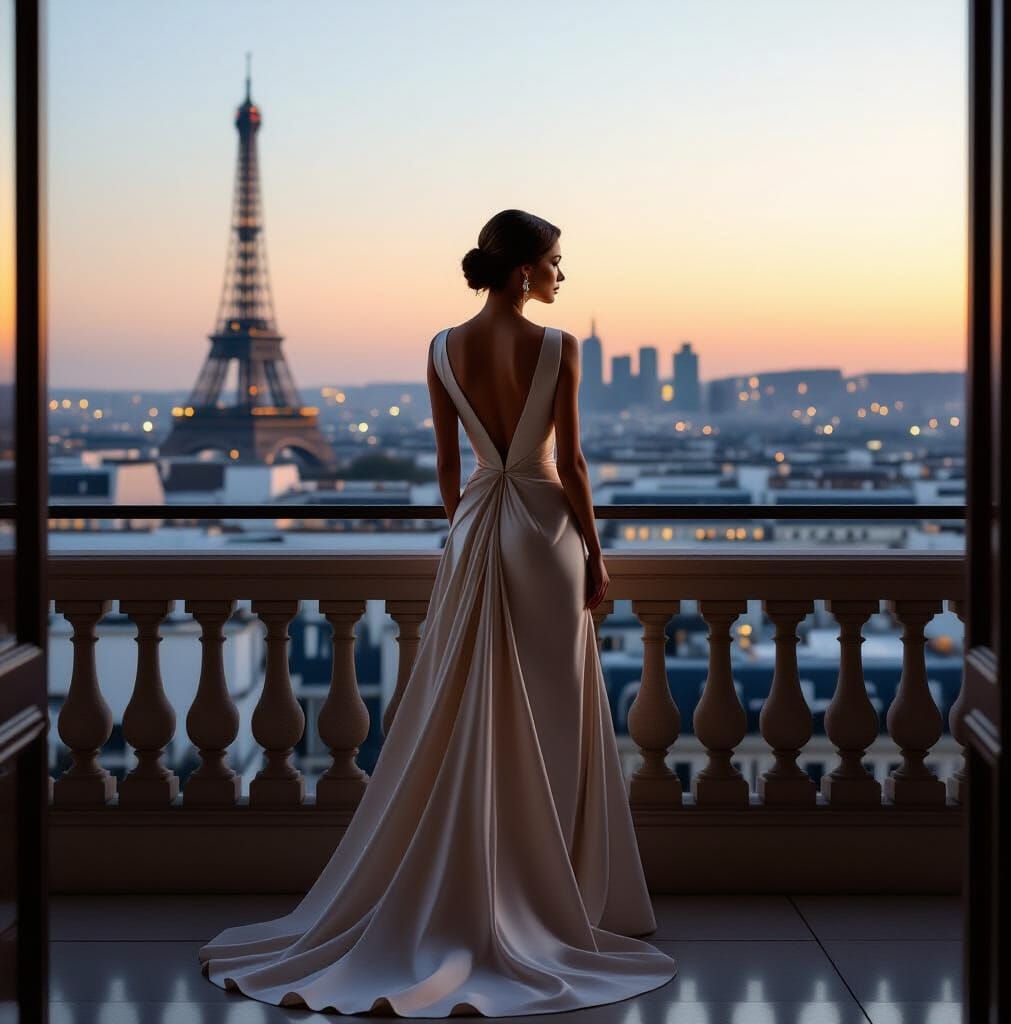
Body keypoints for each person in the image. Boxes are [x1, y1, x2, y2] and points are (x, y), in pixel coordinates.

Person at [199, 209, 678, 1016]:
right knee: (554, 720)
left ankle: (480, 883)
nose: (565, 276)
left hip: (474, 533)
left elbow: (449, 468)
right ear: (524, 271)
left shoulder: (438, 348)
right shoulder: (559, 348)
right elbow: (575, 465)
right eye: (558, 262)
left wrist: (465, 534)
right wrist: (595, 553)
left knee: (468, 713)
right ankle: (549, 895)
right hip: (544, 536)